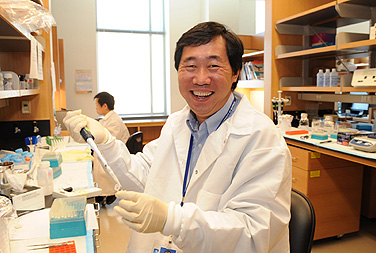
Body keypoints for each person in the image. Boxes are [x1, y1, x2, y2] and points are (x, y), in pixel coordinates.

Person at [64, 21, 292, 252]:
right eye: (190, 66)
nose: (201, 79)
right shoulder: (176, 123)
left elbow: (254, 233)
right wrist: (106, 143)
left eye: (213, 66)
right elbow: (143, 175)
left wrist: (173, 220)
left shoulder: (262, 139)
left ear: (235, 73)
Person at [93, 91, 130, 205]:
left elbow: (109, 140)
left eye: (97, 105)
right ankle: (101, 193)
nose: (96, 108)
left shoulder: (114, 120)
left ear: (105, 106)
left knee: (99, 162)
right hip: (108, 149)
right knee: (95, 158)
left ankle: (108, 193)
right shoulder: (106, 119)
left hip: (114, 152)